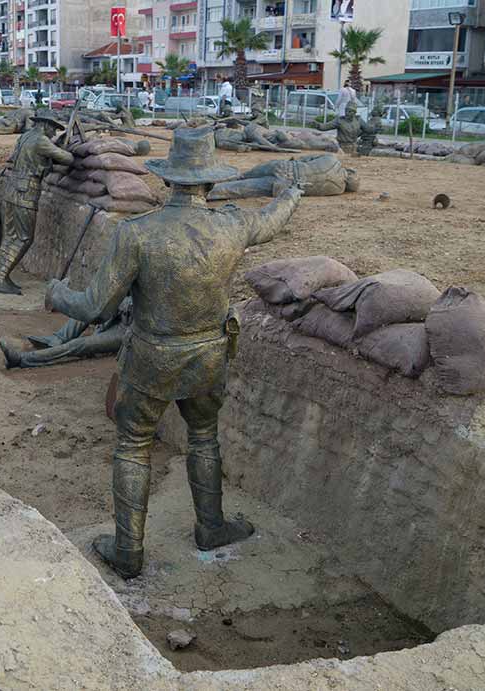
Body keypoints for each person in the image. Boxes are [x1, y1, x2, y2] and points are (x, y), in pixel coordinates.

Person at [44, 128, 301, 578]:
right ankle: (212, 527)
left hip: (150, 358)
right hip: (209, 353)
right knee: (205, 437)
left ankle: (128, 549)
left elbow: (94, 306)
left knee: (133, 445)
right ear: (211, 183)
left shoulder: (137, 233)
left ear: (168, 180)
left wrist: (58, 293)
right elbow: (273, 220)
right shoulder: (233, 225)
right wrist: (293, 191)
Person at [0, 109, 74, 295]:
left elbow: (30, 159)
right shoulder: (41, 140)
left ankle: (1, 277)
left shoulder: (25, 136)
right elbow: (68, 159)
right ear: (45, 125)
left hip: (11, 188)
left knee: (10, 237)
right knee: (24, 238)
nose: (54, 133)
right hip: (26, 192)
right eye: (54, 128)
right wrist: (61, 149)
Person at [0, 298, 131, 369]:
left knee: (78, 345)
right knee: (86, 312)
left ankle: (22, 359)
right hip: (118, 315)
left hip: (127, 330)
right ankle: (58, 339)